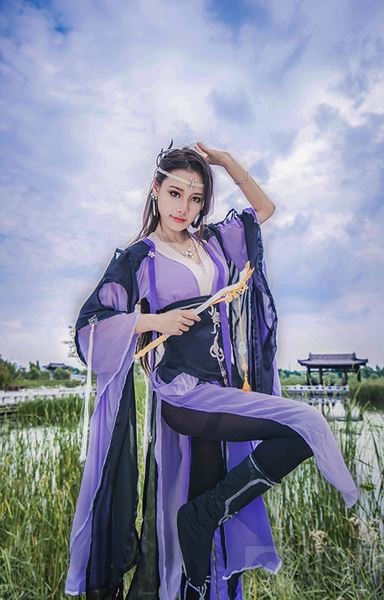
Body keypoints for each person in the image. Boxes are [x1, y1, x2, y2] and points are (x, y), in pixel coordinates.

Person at [65, 140, 360, 600]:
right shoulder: (138, 258)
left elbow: (264, 210)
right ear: (156, 189)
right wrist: (154, 322)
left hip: (225, 390)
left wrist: (224, 162)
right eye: (175, 193)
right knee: (303, 423)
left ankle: (202, 531)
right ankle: (198, 524)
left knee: (210, 509)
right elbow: (91, 326)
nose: (184, 207)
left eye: (197, 197)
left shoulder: (213, 243)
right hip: (182, 393)